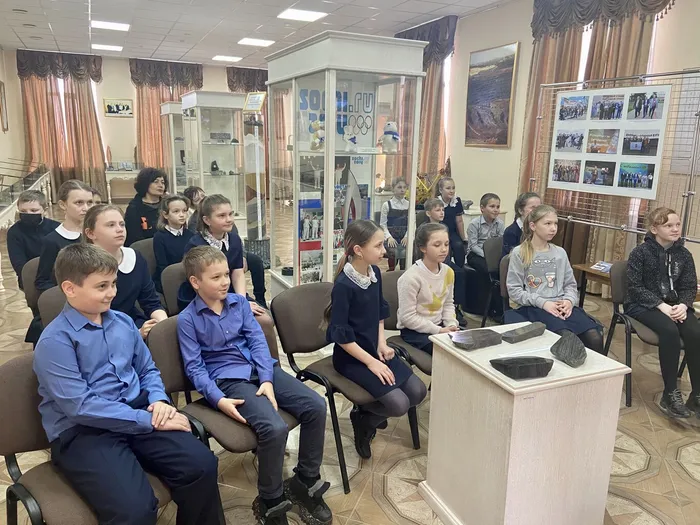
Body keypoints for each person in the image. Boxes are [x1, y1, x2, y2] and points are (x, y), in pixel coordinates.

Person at [33, 243, 224, 525]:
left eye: (113, 284)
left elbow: (147, 369)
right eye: (102, 286)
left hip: (139, 411)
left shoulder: (122, 322)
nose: (112, 292)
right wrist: (147, 420)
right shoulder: (55, 341)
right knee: (134, 509)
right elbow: (81, 406)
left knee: (201, 466)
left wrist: (158, 400)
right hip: (85, 432)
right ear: (70, 289)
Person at [178, 246, 332, 525]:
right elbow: (195, 368)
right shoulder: (188, 320)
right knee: (274, 428)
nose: (225, 281)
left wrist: (267, 379)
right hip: (229, 380)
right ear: (195, 282)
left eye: (226, 274)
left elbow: (258, 343)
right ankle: (270, 499)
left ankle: (305, 481)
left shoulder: (239, 303)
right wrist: (217, 399)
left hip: (260, 370)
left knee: (316, 406)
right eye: (216, 277)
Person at [325, 220, 427, 459]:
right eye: (378, 246)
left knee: (418, 392)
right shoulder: (344, 285)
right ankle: (364, 421)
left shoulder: (375, 273)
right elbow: (340, 336)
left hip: (374, 349)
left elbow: (380, 312)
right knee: (398, 404)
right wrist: (371, 362)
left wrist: (382, 343)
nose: (384, 251)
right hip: (352, 357)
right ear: (358, 250)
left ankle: (366, 414)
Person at [625, 207, 700, 419]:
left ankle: (697, 395)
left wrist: (683, 305)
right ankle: (670, 393)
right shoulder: (640, 253)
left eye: (677, 225)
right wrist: (661, 305)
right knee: (669, 331)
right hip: (642, 305)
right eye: (668, 225)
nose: (675, 229)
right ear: (654, 229)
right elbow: (635, 288)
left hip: (675, 306)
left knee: (695, 332)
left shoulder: (684, 254)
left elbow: (689, 286)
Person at [178, 194, 278, 354]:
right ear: (207, 220)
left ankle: (263, 361)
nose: (229, 219)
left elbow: (237, 273)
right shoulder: (195, 245)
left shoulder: (234, 239)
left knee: (264, 319)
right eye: (222, 216)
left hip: (228, 292)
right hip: (203, 297)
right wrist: (230, 305)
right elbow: (202, 287)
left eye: (231, 214)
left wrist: (241, 302)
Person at [505, 204, 604, 353]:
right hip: (536, 308)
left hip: (561, 305)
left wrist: (569, 301)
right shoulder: (520, 253)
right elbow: (514, 291)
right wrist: (543, 303)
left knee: (594, 337)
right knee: (566, 338)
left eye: (555, 224)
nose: (553, 228)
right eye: (548, 223)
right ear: (533, 226)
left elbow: (570, 284)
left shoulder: (560, 253)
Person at [84, 204, 168, 339]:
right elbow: (90, 317)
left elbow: (151, 302)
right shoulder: (82, 266)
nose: (119, 229)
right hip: (98, 332)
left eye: (122, 224)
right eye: (111, 225)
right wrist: (136, 334)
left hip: (132, 322)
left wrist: (163, 324)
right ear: (90, 233)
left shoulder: (135, 257)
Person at [397, 223, 459, 355]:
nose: (444, 249)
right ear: (423, 248)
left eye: (446, 244)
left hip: (440, 326)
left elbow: (448, 303)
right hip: (415, 331)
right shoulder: (411, 278)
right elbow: (407, 317)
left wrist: (451, 324)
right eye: (437, 245)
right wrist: (438, 331)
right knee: (451, 354)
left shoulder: (448, 272)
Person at [35, 179, 94, 293]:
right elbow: (43, 281)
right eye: (79, 202)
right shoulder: (52, 241)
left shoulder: (98, 233)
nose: (86, 208)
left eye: (89, 202)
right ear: (63, 205)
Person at [424, 198, 468, 327]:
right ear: (428, 213)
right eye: (438, 210)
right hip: (430, 263)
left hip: (444, 261)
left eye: (443, 209)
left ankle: (456, 307)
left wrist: (446, 265)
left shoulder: (445, 227)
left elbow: (447, 250)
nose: (442, 212)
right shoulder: (424, 229)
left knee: (459, 273)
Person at [7, 190, 59, 290]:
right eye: (23, 211)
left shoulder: (57, 228)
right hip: (29, 278)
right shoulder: (14, 232)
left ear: (45, 210)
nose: (28, 214)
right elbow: (19, 264)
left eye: (34, 210)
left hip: (56, 277)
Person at [467, 193, 505, 320]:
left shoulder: (500, 224)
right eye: (492, 206)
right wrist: (487, 256)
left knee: (501, 272)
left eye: (497, 207)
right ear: (482, 208)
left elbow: (501, 243)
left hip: (493, 256)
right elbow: (473, 246)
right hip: (476, 254)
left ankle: (498, 309)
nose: (496, 210)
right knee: (487, 271)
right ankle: (484, 308)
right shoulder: (474, 224)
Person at [153, 195, 194, 293]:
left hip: (189, 277)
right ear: (165, 215)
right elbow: (162, 266)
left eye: (184, 211)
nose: (182, 215)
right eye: (176, 211)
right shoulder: (160, 237)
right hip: (169, 280)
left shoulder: (191, 235)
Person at [124, 168, 167, 246]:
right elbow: (133, 237)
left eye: (162, 182)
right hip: (144, 248)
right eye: (156, 182)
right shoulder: (134, 208)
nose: (160, 185)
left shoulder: (167, 205)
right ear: (145, 184)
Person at [435, 177, 467, 267]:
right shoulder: (436, 202)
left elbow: (459, 221)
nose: (451, 191)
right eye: (448, 188)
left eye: (453, 188)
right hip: (440, 232)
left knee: (459, 245)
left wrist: (463, 238)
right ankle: (445, 268)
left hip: (452, 232)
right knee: (446, 249)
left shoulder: (456, 201)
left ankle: (460, 269)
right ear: (441, 190)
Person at [380, 178, 409, 271]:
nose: (402, 190)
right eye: (399, 187)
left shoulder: (409, 204)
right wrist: (389, 237)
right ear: (393, 189)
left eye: (404, 187)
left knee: (406, 254)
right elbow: (383, 224)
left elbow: (412, 223)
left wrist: (407, 236)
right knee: (393, 252)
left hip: (404, 237)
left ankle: (404, 271)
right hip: (392, 236)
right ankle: (391, 271)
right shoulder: (386, 205)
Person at [502, 192, 541, 258]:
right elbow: (512, 258)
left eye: (539, 208)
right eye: (533, 208)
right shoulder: (511, 231)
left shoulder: (539, 228)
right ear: (520, 210)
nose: (537, 211)